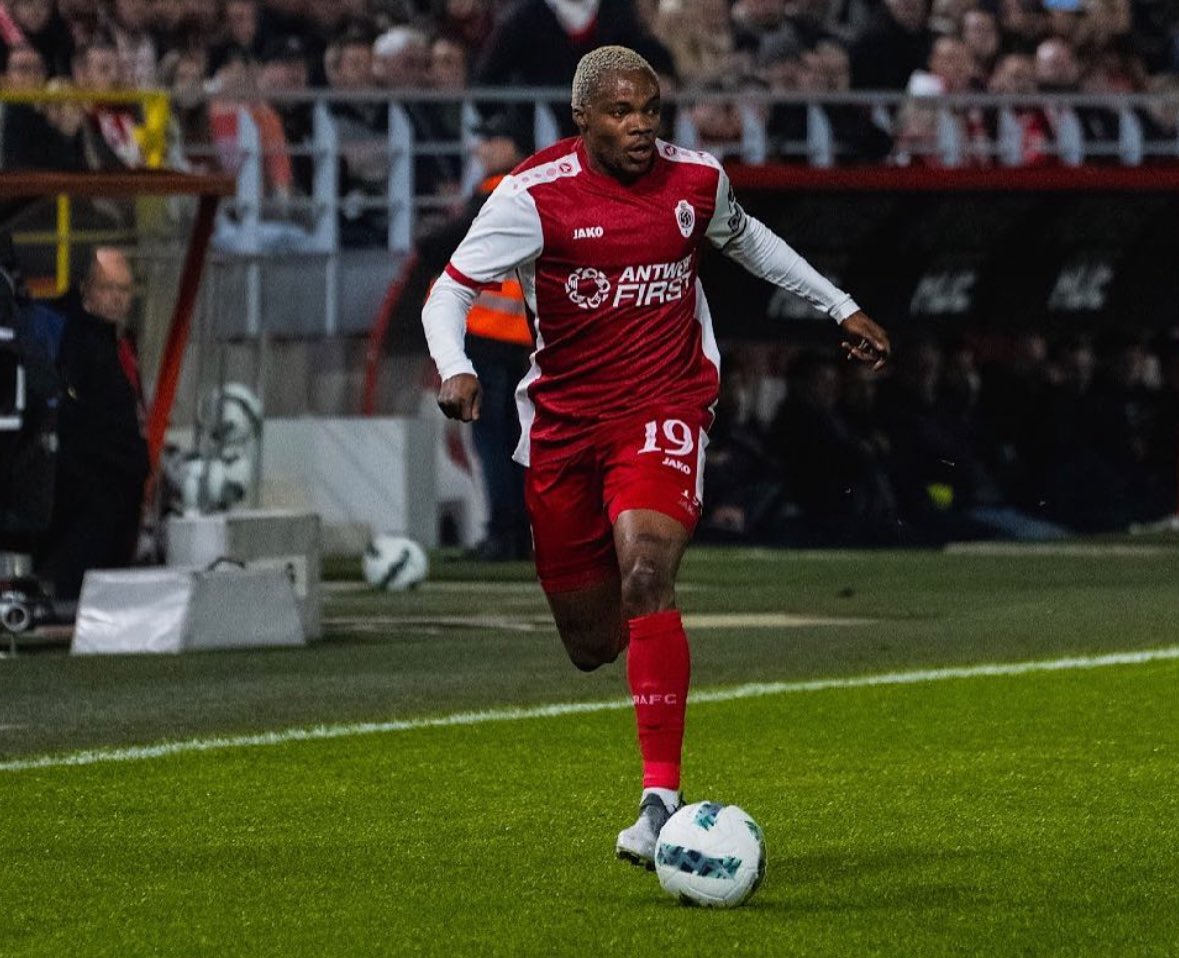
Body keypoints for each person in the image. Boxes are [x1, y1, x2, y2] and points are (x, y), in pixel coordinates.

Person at [420, 44, 890, 869]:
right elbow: (448, 291)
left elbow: (749, 240)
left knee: (646, 573)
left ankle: (658, 804)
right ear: (582, 118)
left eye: (649, 110)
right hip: (564, 428)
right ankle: (638, 660)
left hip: (663, 407)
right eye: (620, 112)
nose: (640, 127)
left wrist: (839, 307)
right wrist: (455, 366)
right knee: (590, 643)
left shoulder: (695, 181)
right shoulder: (531, 197)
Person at [37, 248, 149, 606]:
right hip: (91, 493)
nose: (116, 298)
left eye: (123, 289)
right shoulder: (79, 343)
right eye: (107, 288)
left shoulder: (116, 343)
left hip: (117, 492)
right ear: (87, 288)